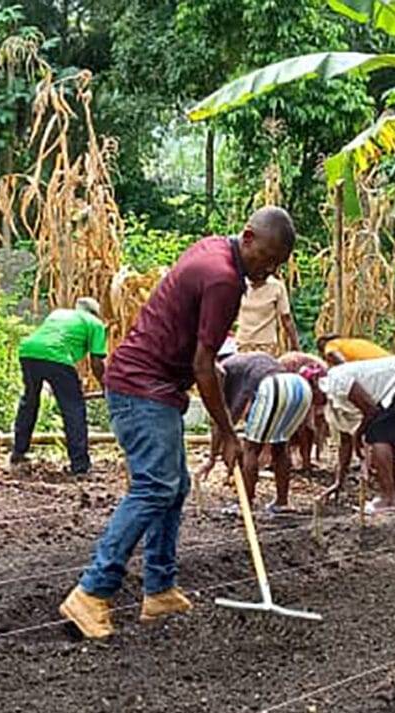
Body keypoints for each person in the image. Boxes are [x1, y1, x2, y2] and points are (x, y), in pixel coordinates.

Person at [59, 206, 296, 639]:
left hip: (153, 386)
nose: (270, 269)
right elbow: (204, 365)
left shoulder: (212, 250)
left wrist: (224, 424)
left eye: (278, 264)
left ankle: (160, 587)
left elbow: (209, 366)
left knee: (174, 486)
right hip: (141, 386)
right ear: (248, 237)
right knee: (155, 486)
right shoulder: (225, 279)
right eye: (268, 256)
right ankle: (91, 593)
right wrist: (226, 433)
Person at [316, 356, 395, 514]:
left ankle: (388, 499)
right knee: (384, 433)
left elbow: (371, 410)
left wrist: (359, 436)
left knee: (378, 434)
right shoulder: (333, 403)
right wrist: (338, 482)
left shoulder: (336, 381)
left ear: (315, 388)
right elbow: (345, 442)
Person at [200, 352, 313, 513]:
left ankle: (245, 504)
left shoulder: (224, 372)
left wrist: (213, 457)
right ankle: (282, 503)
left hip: (274, 386)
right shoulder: (245, 362)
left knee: (251, 447)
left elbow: (225, 420)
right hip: (300, 386)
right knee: (280, 444)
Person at [11, 297, 107, 476]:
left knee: (30, 401)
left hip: (28, 351)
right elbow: (97, 362)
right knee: (73, 409)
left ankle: (18, 453)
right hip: (58, 357)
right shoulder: (95, 324)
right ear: (95, 313)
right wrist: (106, 387)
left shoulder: (59, 313)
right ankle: (80, 466)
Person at [278, 350, 328, 471]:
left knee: (307, 426)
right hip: (288, 380)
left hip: (306, 381)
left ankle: (305, 460)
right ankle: (285, 458)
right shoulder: (285, 370)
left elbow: (316, 419)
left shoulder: (323, 375)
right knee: (289, 424)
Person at [235, 271, 299, 355]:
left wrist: (295, 346)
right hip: (243, 344)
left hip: (266, 346)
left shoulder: (276, 287)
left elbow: (286, 319)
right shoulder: (240, 284)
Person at [317, 334, 391, 366]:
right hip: (393, 361)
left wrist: (346, 369)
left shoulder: (331, 344)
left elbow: (332, 354)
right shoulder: (354, 342)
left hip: (379, 365)